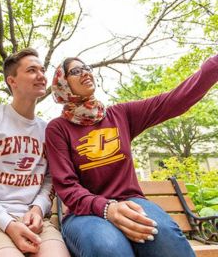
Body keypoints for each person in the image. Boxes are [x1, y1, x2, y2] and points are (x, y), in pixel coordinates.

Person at [45, 54, 218, 257]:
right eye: (75, 71)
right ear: (62, 84)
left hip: (132, 201)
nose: (85, 72)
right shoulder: (57, 129)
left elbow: (174, 101)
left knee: (164, 237)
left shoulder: (120, 115)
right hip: (83, 213)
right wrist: (107, 208)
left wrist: (213, 66)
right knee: (108, 247)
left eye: (87, 67)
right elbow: (67, 187)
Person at [0, 48, 70, 257]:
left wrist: (38, 209)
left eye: (42, 70)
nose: (41, 75)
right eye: (31, 70)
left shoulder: (47, 130)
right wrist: (8, 223)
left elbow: (49, 180)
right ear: (12, 81)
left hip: (33, 218)